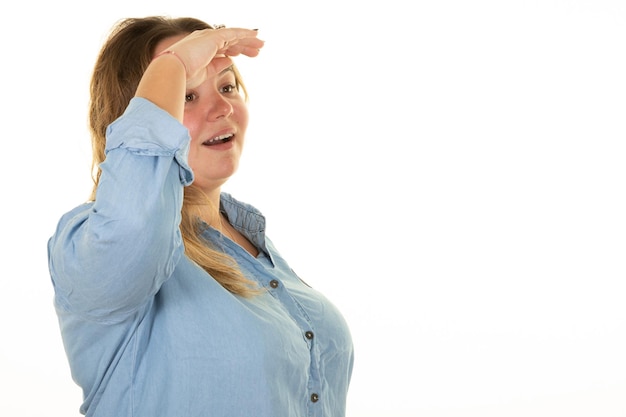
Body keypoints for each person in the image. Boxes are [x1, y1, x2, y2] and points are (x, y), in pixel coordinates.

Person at [47, 16, 354, 417]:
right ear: (134, 119)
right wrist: (171, 67)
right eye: (187, 96)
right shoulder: (92, 242)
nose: (222, 107)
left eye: (227, 87)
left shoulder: (253, 244)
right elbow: (135, 225)